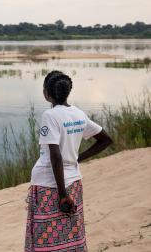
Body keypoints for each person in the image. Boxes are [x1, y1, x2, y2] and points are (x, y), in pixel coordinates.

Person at [25, 71, 113, 252]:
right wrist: (77, 158)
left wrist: (62, 194)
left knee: (45, 237)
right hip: (74, 182)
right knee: (71, 232)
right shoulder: (78, 114)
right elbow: (105, 140)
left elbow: (55, 156)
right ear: (67, 92)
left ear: (46, 93)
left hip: (50, 185)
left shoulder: (50, 116)